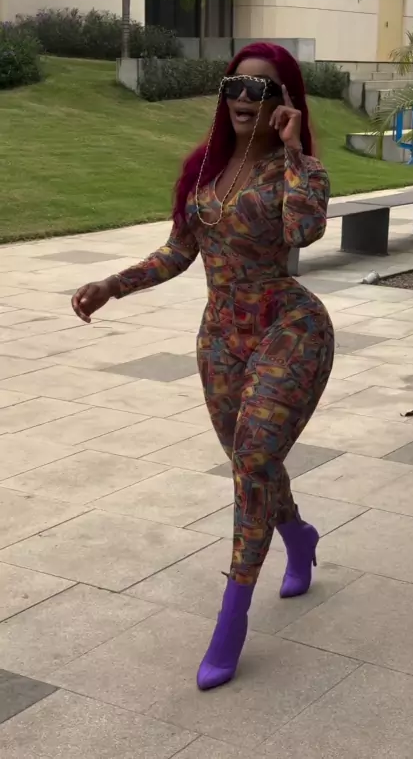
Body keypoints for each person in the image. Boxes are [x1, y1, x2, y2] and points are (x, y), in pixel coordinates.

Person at [72, 42, 335, 691]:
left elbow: (303, 233)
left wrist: (296, 150)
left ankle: (232, 615)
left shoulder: (296, 170)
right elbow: (177, 253)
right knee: (253, 463)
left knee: (254, 456)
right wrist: (112, 286)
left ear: (285, 101)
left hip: (289, 327)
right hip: (219, 337)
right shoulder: (203, 168)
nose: (244, 99)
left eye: (261, 89)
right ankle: (297, 535)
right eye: (234, 86)